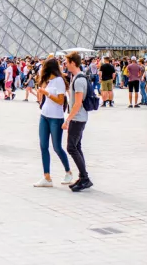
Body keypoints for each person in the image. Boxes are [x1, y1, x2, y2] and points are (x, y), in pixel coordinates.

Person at [33, 58, 73, 187]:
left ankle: (68, 172)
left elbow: (61, 101)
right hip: (44, 115)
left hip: (56, 118)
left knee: (57, 147)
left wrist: (46, 93)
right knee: (43, 146)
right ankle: (47, 177)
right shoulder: (49, 81)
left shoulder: (59, 81)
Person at [62, 51, 92, 191]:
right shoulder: (77, 78)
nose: (65, 65)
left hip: (77, 118)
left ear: (73, 63)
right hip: (79, 117)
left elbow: (78, 103)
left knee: (71, 147)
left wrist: (68, 119)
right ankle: (83, 177)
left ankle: (85, 178)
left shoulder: (79, 80)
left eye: (67, 62)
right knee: (76, 147)